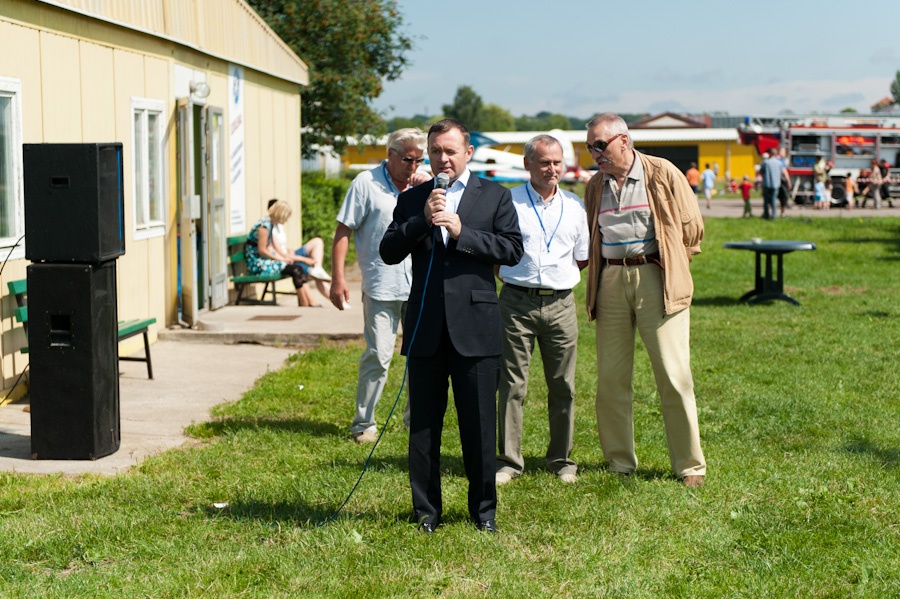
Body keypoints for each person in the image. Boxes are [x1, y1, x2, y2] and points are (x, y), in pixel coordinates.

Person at [380, 119, 523, 534]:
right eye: (436, 151)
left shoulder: (494, 196)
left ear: (468, 153)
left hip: (475, 327)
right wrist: (422, 220)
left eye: (450, 151)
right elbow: (389, 251)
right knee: (424, 425)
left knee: (478, 424)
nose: (443, 158)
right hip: (426, 325)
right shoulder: (415, 199)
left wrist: (463, 232)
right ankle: (426, 512)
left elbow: (512, 249)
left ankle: (484, 512)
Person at [583, 113, 706, 488]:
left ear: (624, 140)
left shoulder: (663, 172)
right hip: (610, 279)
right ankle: (620, 462)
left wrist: (671, 261)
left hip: (656, 275)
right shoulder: (594, 185)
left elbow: (692, 227)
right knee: (611, 378)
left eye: (600, 145)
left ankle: (689, 466)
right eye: (590, 147)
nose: (595, 154)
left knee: (673, 373)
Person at [494, 135, 589, 486]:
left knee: (563, 384)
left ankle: (561, 460)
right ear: (528, 165)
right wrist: (517, 280)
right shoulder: (507, 202)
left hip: (561, 303)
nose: (552, 170)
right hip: (516, 302)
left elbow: (581, 257)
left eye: (557, 163)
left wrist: (554, 282)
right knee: (511, 384)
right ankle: (509, 461)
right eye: (545, 163)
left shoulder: (575, 206)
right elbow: (495, 252)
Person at [329, 128, 429, 444]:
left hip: (420, 286)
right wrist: (338, 278)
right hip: (381, 285)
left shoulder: (426, 183)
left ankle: (417, 420)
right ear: (390, 154)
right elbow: (343, 231)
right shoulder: (365, 184)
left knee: (421, 357)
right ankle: (364, 423)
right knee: (379, 355)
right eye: (407, 159)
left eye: (418, 159)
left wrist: (425, 189)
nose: (413, 166)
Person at [245, 201, 311, 306]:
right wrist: (280, 259)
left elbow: (278, 249)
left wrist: (289, 258)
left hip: (264, 260)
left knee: (297, 268)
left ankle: (305, 302)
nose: (287, 220)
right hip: (257, 263)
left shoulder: (271, 224)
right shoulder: (264, 225)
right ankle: (304, 303)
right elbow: (261, 250)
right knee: (295, 270)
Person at [267, 198, 332, 305]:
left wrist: (289, 251)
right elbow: (275, 251)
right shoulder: (269, 226)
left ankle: (317, 271)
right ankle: (308, 300)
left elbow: (280, 248)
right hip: (279, 260)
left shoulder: (278, 226)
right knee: (299, 269)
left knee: (317, 242)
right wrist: (303, 258)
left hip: (286, 256)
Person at [760, 149, 790, 219]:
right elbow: (782, 172)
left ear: (769, 154)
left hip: (767, 183)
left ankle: (766, 215)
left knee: (766, 200)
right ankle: (774, 215)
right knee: (774, 200)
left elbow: (761, 171)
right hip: (776, 184)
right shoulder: (779, 163)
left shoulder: (765, 162)